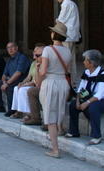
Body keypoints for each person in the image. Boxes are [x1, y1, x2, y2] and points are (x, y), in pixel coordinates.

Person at [67, 49, 104, 145]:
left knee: (93, 107)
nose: (83, 62)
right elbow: (81, 88)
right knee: (72, 105)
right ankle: (73, 131)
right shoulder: (86, 73)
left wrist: (86, 103)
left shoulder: (103, 75)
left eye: (85, 60)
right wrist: (78, 101)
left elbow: (99, 95)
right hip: (88, 97)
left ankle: (96, 136)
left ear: (91, 63)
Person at [39, 21, 73, 158]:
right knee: (59, 111)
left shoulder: (48, 49)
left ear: (54, 34)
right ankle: (60, 131)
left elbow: (43, 71)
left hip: (51, 82)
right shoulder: (67, 51)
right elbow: (68, 70)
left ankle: (55, 149)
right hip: (63, 83)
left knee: (51, 117)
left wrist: (39, 66)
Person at [0, 41, 30, 113]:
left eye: (12, 47)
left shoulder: (22, 58)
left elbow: (18, 73)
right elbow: (4, 74)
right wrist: (4, 81)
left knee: (10, 87)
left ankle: (12, 110)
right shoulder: (9, 60)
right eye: (8, 48)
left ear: (16, 48)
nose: (10, 49)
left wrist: (7, 83)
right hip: (10, 80)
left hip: (20, 80)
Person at [53, 0, 81, 78]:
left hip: (67, 35)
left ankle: (67, 79)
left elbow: (61, 20)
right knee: (71, 59)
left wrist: (56, 21)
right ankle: (72, 80)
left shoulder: (66, 4)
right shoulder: (71, 4)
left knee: (65, 58)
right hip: (71, 35)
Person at [11, 44, 45, 119]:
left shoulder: (43, 63)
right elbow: (28, 77)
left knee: (23, 90)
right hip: (31, 83)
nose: (34, 52)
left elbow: (36, 81)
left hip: (36, 84)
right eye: (34, 51)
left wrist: (26, 84)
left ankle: (28, 113)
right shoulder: (33, 63)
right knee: (16, 88)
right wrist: (22, 82)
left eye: (36, 51)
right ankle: (19, 111)